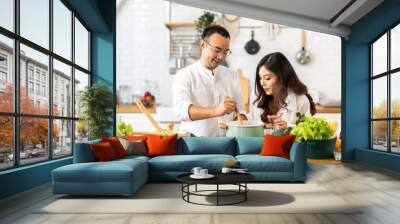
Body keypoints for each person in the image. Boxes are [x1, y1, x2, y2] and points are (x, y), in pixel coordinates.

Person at [173, 25, 245, 136]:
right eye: (217, 50)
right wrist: (216, 110)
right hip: (194, 146)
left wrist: (239, 123)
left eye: (225, 52)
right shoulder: (185, 75)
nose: (221, 56)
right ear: (202, 45)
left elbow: (240, 111)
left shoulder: (232, 75)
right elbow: (181, 111)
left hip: (226, 144)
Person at [250, 52, 316, 129]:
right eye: (260, 78)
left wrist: (289, 127)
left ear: (282, 77)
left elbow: (308, 132)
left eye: (268, 78)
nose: (262, 83)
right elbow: (252, 120)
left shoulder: (301, 101)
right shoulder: (257, 95)